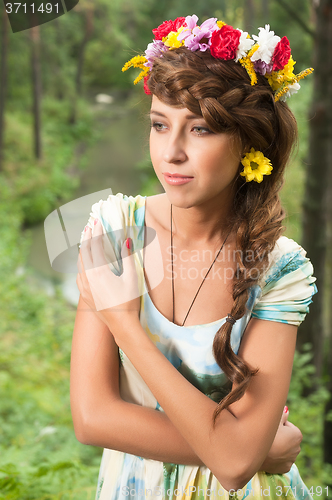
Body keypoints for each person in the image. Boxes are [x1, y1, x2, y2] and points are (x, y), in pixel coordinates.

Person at [72, 14, 317, 500]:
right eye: (160, 125)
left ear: (249, 141)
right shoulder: (114, 231)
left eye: (200, 130)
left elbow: (234, 467)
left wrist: (124, 324)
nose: (171, 153)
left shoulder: (281, 267)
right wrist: (245, 446)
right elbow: (92, 417)